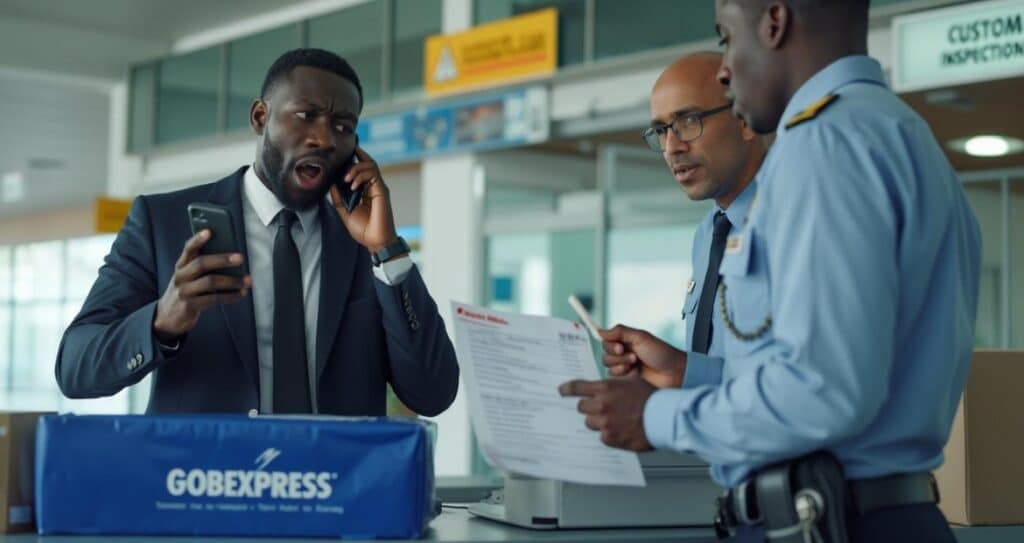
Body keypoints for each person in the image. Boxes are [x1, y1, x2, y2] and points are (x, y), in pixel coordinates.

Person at [561, 1, 981, 541]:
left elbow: (824, 389)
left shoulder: (823, 143)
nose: (727, 68)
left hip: (829, 519)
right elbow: (837, 365)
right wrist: (690, 374)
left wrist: (655, 416)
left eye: (727, 36)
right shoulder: (904, 133)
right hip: (884, 512)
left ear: (774, 23)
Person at [57, 48, 459, 417]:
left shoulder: (363, 248)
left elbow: (433, 393)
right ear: (260, 117)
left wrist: (387, 251)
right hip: (202, 486)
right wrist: (162, 321)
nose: (323, 138)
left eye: (343, 126)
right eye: (306, 115)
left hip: (335, 488)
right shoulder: (163, 223)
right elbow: (75, 368)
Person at [607, 51, 766, 393]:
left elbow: (805, 385)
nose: (671, 147)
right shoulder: (708, 233)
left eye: (689, 121)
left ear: (745, 120)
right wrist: (679, 370)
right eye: (662, 130)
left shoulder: (796, 220)